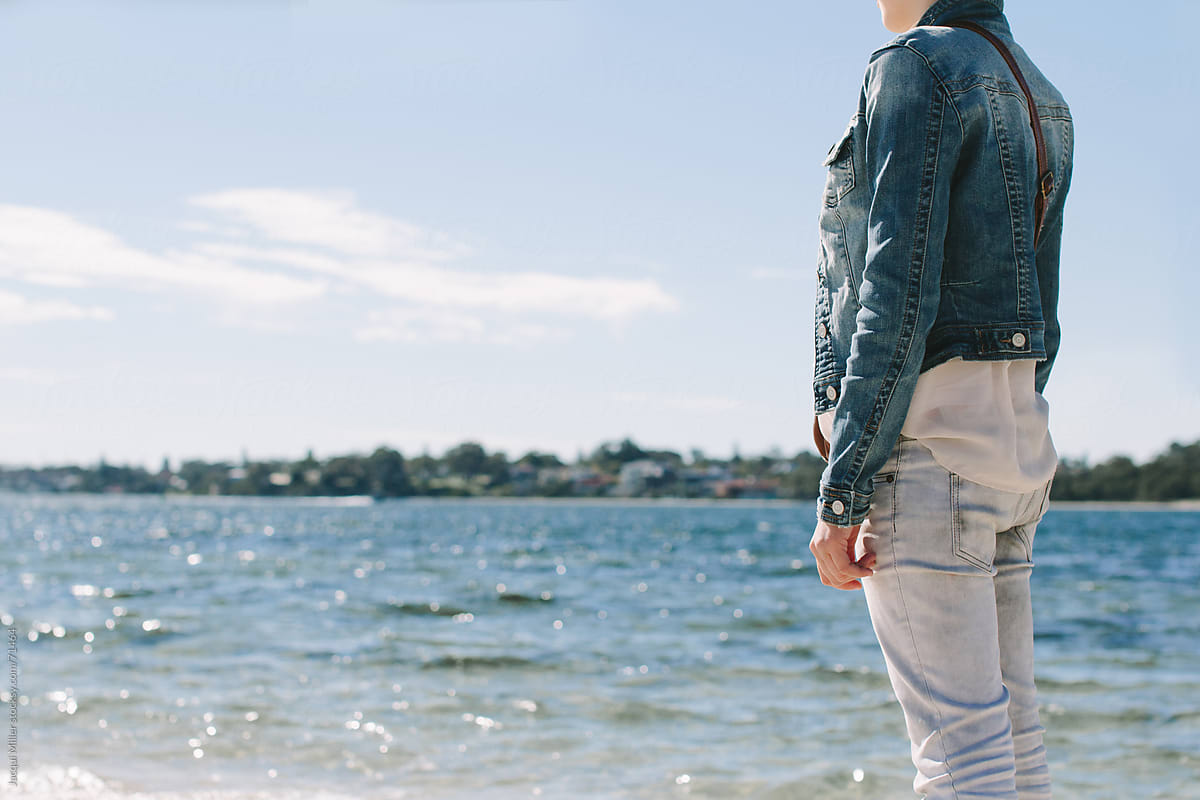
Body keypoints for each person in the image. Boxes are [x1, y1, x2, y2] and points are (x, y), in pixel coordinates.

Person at [807, 1, 1073, 798]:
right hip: (1012, 452)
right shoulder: (1040, 88)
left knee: (959, 761)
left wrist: (845, 487)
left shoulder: (915, 66)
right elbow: (1043, 305)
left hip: (927, 453)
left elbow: (896, 287)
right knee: (1011, 748)